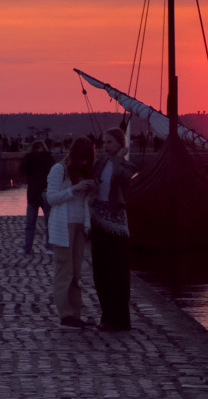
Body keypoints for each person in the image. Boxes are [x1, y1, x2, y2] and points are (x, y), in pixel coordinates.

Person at [89, 128, 138, 331]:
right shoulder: (99, 163)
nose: (105, 146)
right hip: (97, 219)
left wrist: (119, 158)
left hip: (116, 223)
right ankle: (106, 316)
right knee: (101, 272)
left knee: (118, 272)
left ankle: (121, 318)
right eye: (104, 142)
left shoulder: (127, 165)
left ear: (120, 143)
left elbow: (123, 178)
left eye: (109, 142)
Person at [46, 137, 96, 330]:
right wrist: (73, 189)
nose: (84, 163)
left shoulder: (83, 172)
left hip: (79, 225)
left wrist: (90, 190)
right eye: (82, 159)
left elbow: (84, 203)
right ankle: (65, 315)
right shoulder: (59, 170)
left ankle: (76, 314)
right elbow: (51, 198)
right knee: (63, 271)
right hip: (63, 226)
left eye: (87, 159)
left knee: (76, 273)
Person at [18, 140, 55, 255]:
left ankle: (29, 248)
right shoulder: (45, 158)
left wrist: (31, 155)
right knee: (41, 223)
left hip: (39, 193)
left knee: (34, 224)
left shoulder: (42, 158)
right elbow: (22, 168)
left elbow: (22, 168)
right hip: (40, 194)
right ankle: (47, 248)